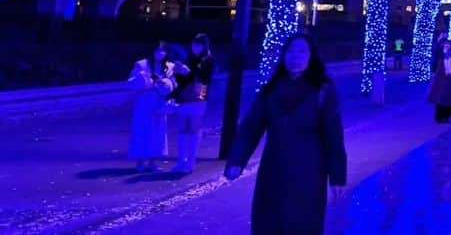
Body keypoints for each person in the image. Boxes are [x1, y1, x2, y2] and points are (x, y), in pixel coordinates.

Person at [225, 33, 346, 235]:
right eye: (291, 50)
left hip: (309, 171)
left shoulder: (323, 90)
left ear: (311, 56)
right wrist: (236, 161)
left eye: (301, 51)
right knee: (269, 222)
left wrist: (337, 176)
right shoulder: (272, 89)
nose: (295, 55)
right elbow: (251, 127)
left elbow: (333, 137)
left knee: (302, 222)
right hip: (274, 169)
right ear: (284, 55)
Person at [126, 40, 179, 172]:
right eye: (157, 50)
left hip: (160, 102)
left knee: (158, 132)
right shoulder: (142, 64)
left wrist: (166, 84)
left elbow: (175, 85)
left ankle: (153, 161)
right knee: (142, 131)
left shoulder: (169, 67)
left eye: (163, 51)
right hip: (144, 102)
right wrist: (144, 80)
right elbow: (130, 83)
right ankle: (140, 162)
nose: (160, 54)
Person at [169, 33, 214, 173]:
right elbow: (181, 81)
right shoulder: (189, 59)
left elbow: (204, 80)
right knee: (182, 129)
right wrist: (178, 71)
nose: (195, 47)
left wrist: (189, 72)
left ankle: (191, 161)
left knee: (193, 129)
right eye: (194, 44)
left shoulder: (208, 59)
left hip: (198, 97)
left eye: (198, 44)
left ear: (204, 45)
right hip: (184, 97)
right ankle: (181, 160)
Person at [427, 37, 451, 122]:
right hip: (441, 78)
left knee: (448, 98)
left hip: (450, 79)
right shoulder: (441, 53)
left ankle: (447, 116)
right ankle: (439, 117)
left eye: (448, 45)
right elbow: (436, 51)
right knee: (440, 97)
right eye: (445, 44)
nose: (446, 46)